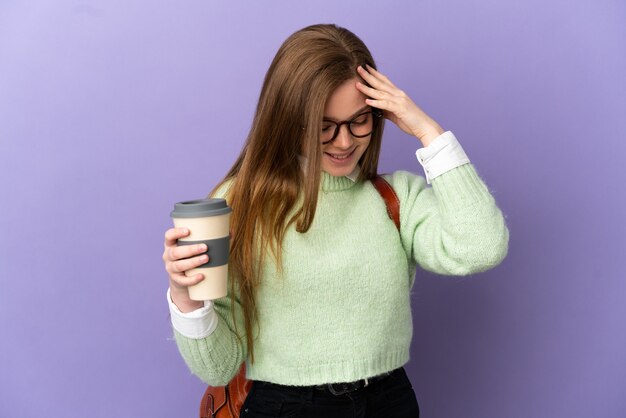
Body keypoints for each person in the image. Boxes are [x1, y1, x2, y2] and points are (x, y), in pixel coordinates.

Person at [162, 23, 509, 418]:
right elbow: (217, 367)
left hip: (389, 401)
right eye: (324, 127)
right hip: (285, 407)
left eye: (359, 121)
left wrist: (428, 132)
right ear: (288, 121)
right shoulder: (240, 203)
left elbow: (482, 247)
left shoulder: (396, 200)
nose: (344, 142)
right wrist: (186, 297)